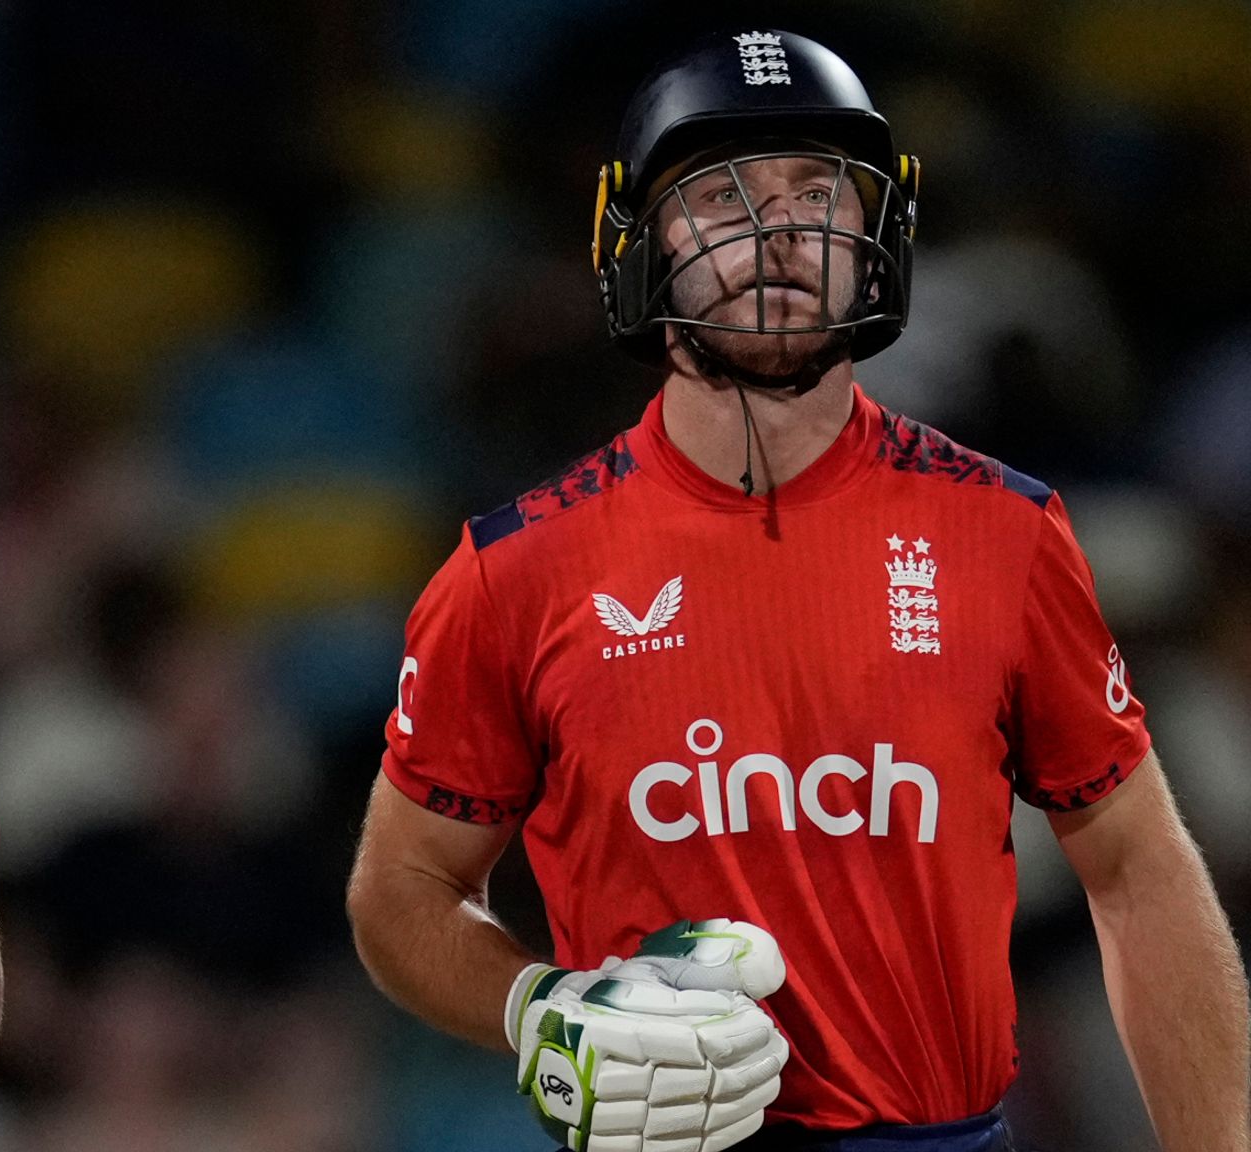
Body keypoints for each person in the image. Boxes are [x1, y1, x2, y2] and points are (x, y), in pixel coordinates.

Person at [346, 28, 1249, 1152]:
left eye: (815, 191)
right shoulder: (514, 572)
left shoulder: (1003, 533)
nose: (777, 232)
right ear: (633, 240)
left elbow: (1137, 870)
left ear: (878, 235)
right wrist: (535, 1009)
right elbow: (401, 886)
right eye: (720, 199)